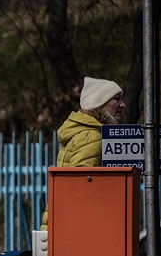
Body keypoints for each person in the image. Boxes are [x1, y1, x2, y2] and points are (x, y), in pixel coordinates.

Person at [39, 76, 125, 232]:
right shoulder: (92, 137)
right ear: (100, 103)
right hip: (76, 227)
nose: (122, 105)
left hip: (61, 219)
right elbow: (81, 187)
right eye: (116, 99)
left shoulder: (81, 133)